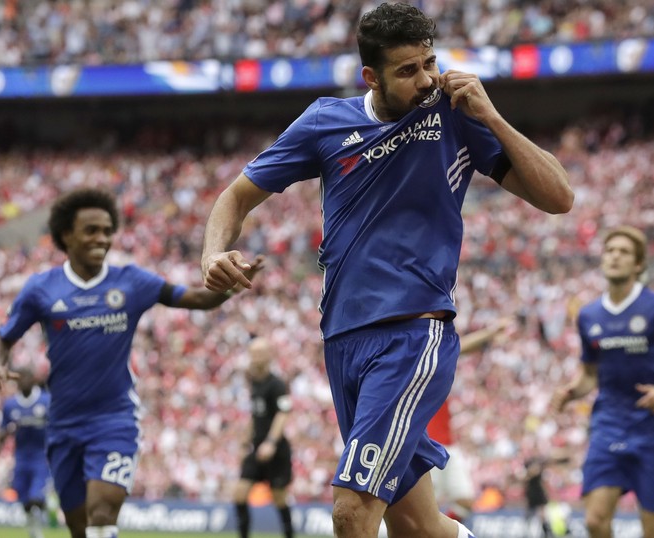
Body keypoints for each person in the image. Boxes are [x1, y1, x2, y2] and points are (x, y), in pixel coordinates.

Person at [200, 3, 573, 536]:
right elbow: (234, 197)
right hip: (342, 342)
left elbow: (559, 197)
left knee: (352, 514)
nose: (425, 79)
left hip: (410, 333)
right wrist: (214, 253)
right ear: (370, 76)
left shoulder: (454, 117)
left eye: (429, 63)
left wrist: (490, 116)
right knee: (418, 527)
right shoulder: (325, 122)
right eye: (407, 71)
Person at [0, 187, 264, 538]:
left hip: (114, 418)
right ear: (66, 235)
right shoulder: (41, 288)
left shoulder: (131, 281)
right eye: (91, 230)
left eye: (107, 230)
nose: (102, 238)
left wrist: (226, 288)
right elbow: (1, 340)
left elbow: (193, 298)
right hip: (63, 423)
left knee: (102, 513)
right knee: (79, 526)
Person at [551, 226, 654, 538]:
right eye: (610, 251)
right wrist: (572, 392)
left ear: (638, 264)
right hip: (607, 426)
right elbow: (590, 375)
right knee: (596, 521)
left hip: (651, 430)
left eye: (623, 252)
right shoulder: (588, 315)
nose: (614, 257)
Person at [428, 318, 513, 525]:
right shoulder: (411, 363)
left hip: (448, 446)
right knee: (426, 507)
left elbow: (459, 347)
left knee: (465, 500)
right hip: (425, 446)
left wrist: (490, 332)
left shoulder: (433, 359)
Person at [233, 337, 295, 538]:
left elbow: (283, 413)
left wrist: (271, 442)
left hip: (275, 449)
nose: (255, 356)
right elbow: (255, 416)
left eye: (259, 352)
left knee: (279, 498)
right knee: (239, 494)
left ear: (269, 355)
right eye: (253, 352)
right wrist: (245, 441)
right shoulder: (253, 383)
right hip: (256, 447)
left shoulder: (276, 384)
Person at [0, 366, 51, 538]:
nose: (24, 382)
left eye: (27, 378)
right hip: (21, 457)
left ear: (33, 380)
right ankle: (33, 525)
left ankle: (44, 509)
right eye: (20, 379)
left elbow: (58, 426)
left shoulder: (46, 401)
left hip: (41, 457)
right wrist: (9, 431)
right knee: (23, 498)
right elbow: (2, 431)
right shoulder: (10, 405)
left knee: (36, 496)